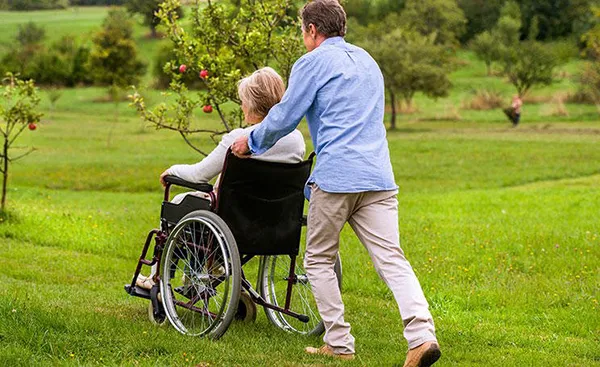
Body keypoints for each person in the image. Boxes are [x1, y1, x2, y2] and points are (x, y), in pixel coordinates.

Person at [231, 1, 440, 366]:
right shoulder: (368, 62)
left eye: (303, 30)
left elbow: (283, 116)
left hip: (338, 177)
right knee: (392, 258)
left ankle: (340, 343)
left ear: (312, 30)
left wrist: (250, 142)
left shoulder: (311, 63)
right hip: (378, 176)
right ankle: (421, 336)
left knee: (318, 259)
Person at [135, 67, 306, 290]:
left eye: (243, 100)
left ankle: (157, 277)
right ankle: (212, 266)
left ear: (251, 104)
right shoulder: (296, 140)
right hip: (275, 220)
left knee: (178, 203)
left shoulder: (238, 140)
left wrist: (172, 171)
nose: (242, 105)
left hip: (233, 219)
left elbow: (198, 174)